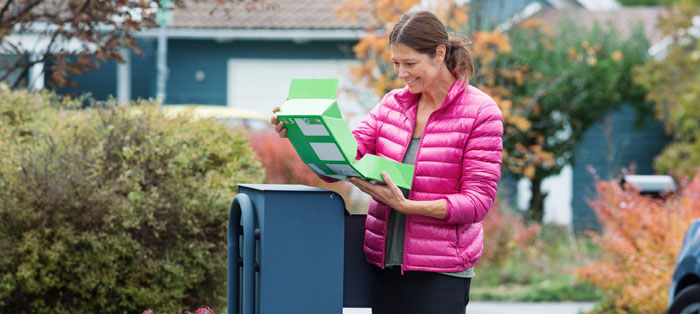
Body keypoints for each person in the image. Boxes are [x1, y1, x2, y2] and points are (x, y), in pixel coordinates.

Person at [271, 10, 503, 314]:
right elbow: (345, 158)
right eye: (395, 63)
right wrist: (302, 132)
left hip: (442, 273)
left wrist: (408, 207)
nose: (401, 73)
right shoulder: (391, 105)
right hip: (385, 265)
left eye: (410, 63)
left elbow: (476, 203)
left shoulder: (481, 113)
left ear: (439, 54)